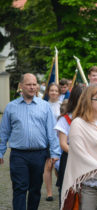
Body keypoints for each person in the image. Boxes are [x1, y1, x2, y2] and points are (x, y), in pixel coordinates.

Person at [0, 73, 61, 210]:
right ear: (21, 86)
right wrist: (0, 152)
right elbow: (4, 132)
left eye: (34, 84)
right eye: (28, 84)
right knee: (20, 188)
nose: (32, 87)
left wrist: (54, 152)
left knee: (35, 189)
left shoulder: (44, 106)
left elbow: (51, 132)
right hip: (18, 155)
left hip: (39, 155)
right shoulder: (11, 107)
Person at [54, 84, 85, 206]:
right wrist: (78, 154)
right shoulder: (65, 119)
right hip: (70, 159)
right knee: (68, 195)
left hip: (88, 160)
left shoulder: (91, 118)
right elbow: (63, 144)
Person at [43, 82, 62, 201]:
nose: (54, 92)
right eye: (51, 90)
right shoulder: (44, 105)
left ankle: (61, 185)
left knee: (58, 166)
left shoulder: (62, 105)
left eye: (56, 90)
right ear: (48, 92)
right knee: (48, 166)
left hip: (60, 138)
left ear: (59, 93)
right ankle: (49, 193)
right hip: (47, 138)